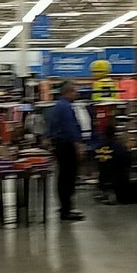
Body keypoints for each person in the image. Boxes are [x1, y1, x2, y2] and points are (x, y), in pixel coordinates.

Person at [48, 79, 84, 221]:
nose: (76, 94)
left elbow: (51, 128)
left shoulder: (57, 106)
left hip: (59, 145)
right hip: (66, 145)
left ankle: (64, 207)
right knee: (68, 177)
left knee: (63, 176)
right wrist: (78, 144)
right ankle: (66, 210)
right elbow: (71, 127)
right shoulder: (66, 107)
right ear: (68, 92)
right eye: (75, 91)